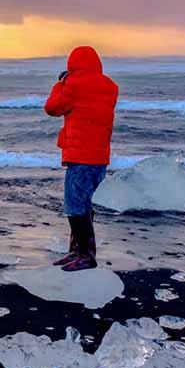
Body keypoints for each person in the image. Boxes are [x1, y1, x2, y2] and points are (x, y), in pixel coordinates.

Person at [44, 46, 118, 271]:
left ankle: (85, 255)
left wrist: (60, 83)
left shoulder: (73, 84)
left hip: (81, 155)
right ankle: (78, 251)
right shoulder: (110, 86)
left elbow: (52, 108)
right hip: (99, 156)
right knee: (86, 205)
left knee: (74, 205)